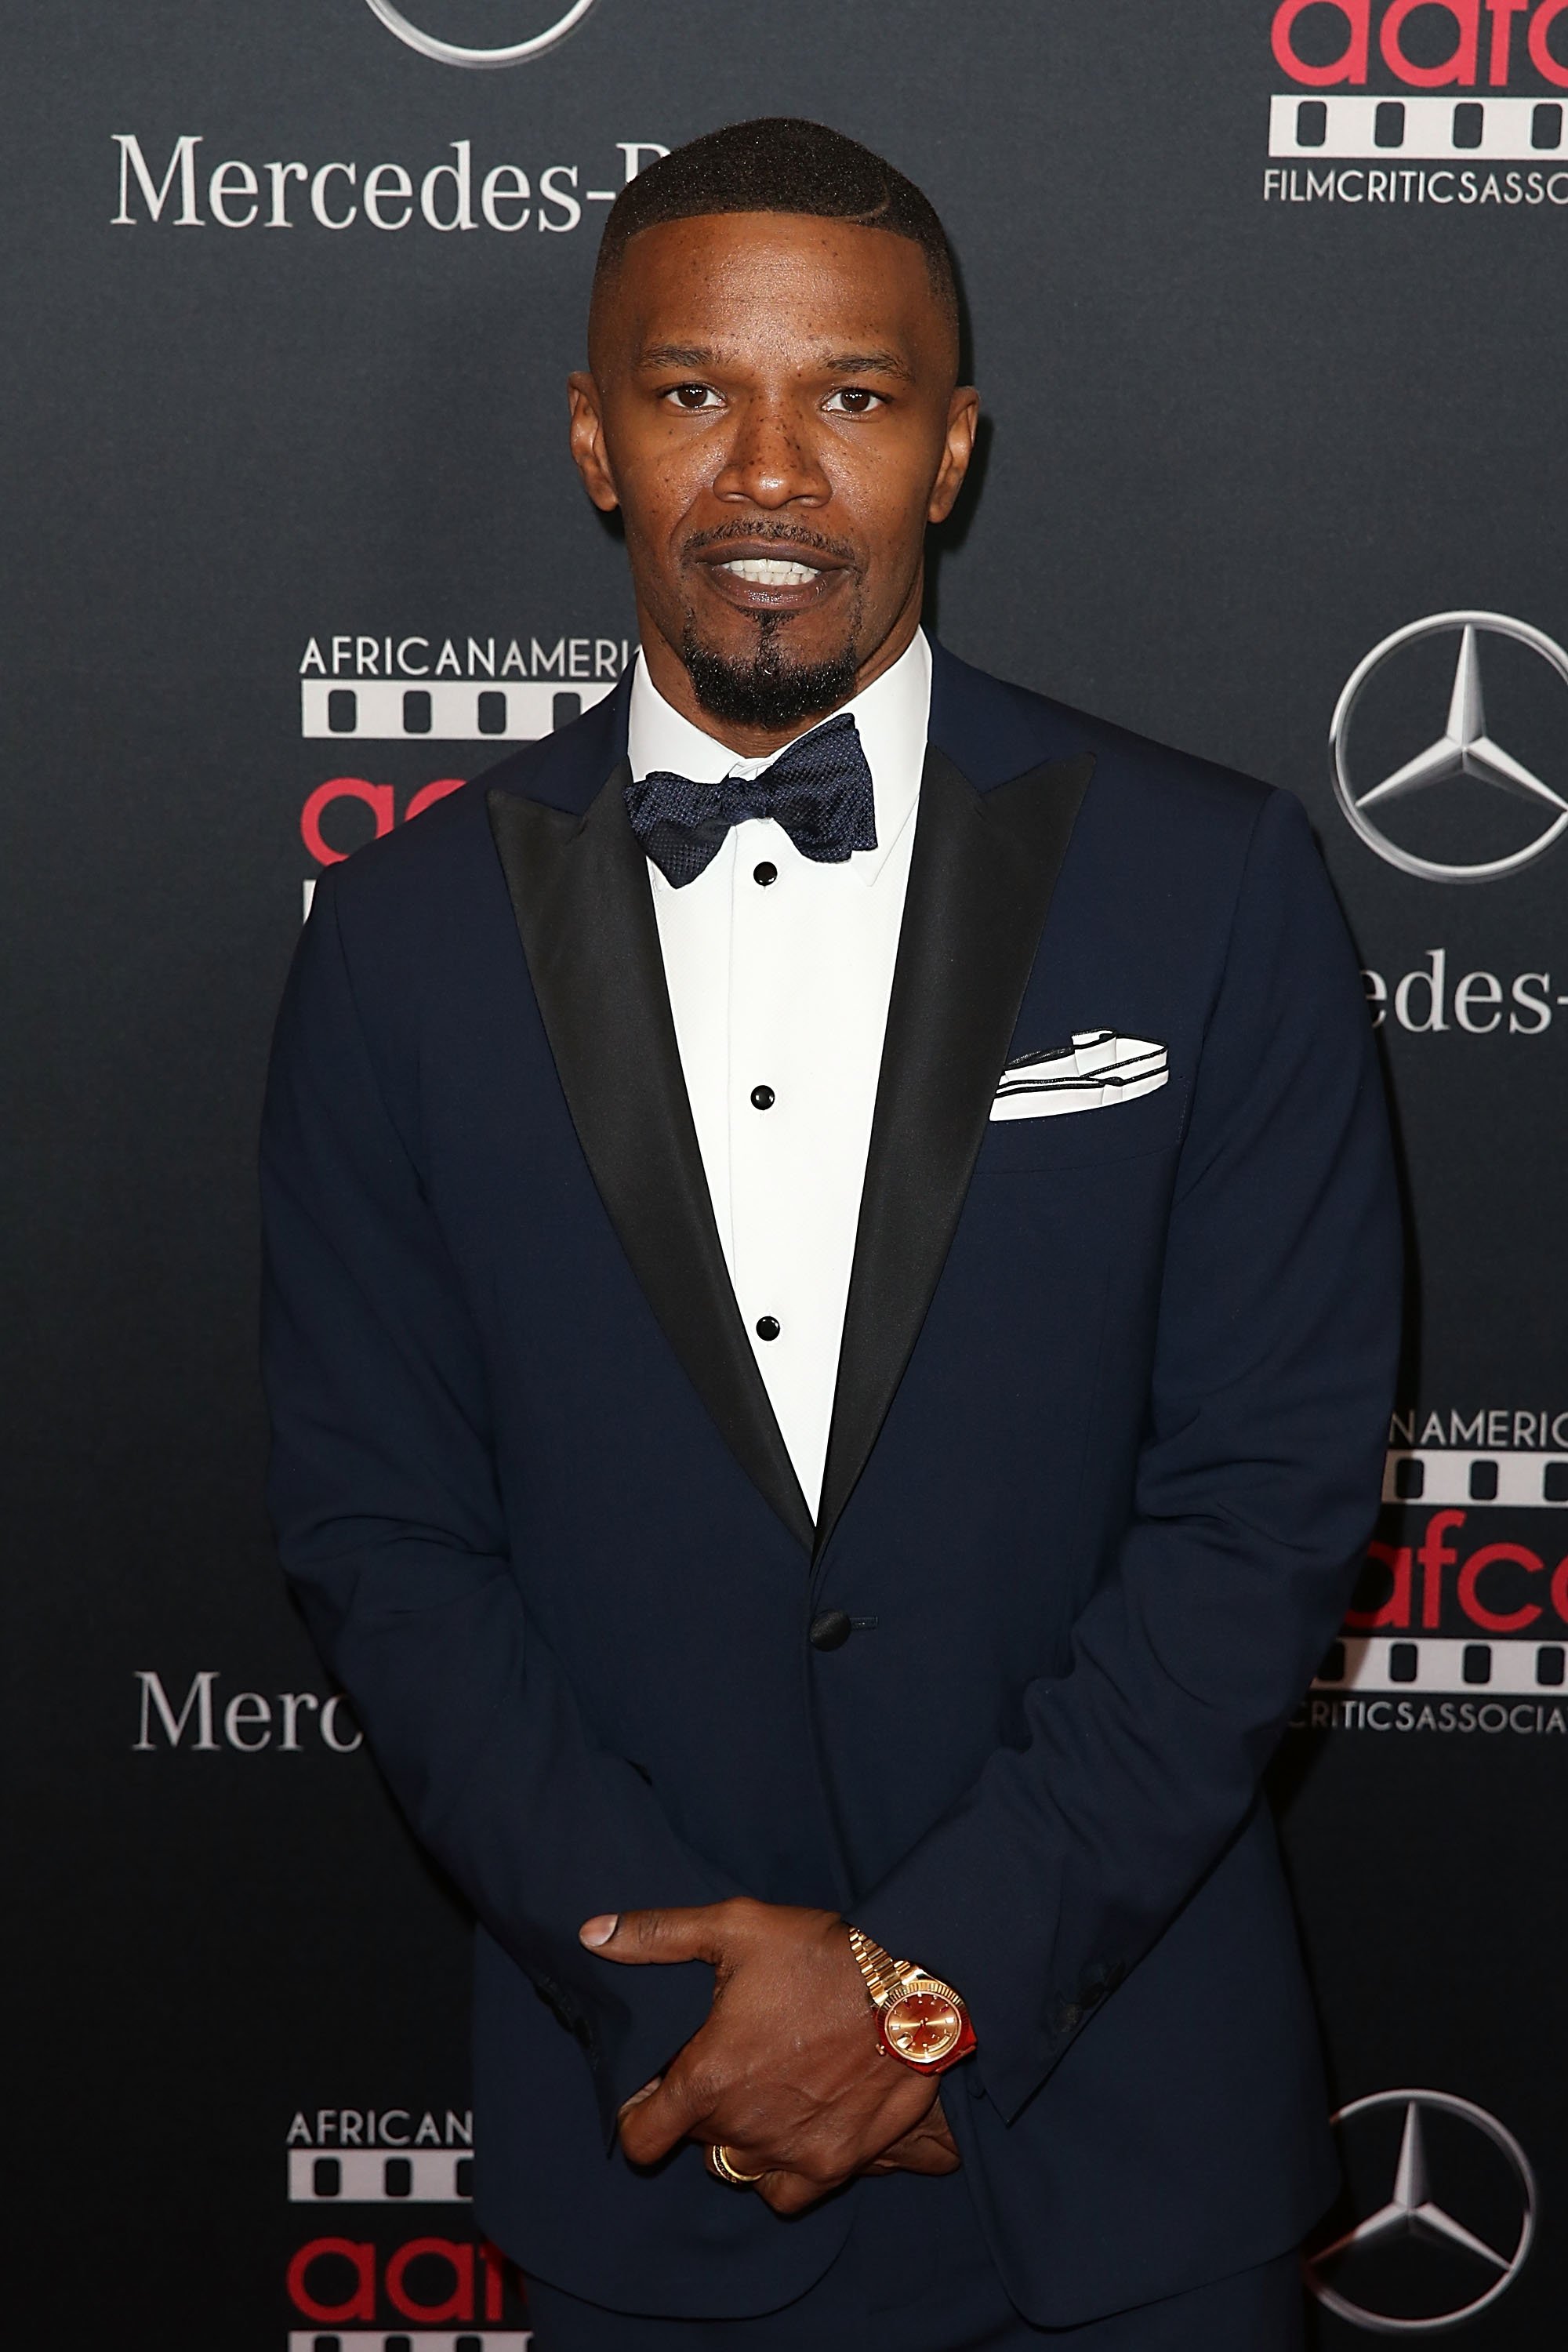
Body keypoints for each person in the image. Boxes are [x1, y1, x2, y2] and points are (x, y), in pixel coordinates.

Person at [261, 116, 1400, 2350]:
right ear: (595, 435)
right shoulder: (393, 946)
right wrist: (711, 2008)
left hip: (1127, 2150)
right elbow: (384, 1538)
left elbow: (1265, 1507)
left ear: (952, 451)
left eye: (854, 399)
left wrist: (919, 1987)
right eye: (695, 392)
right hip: (662, 2139)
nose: (771, 473)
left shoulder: (1214, 887)